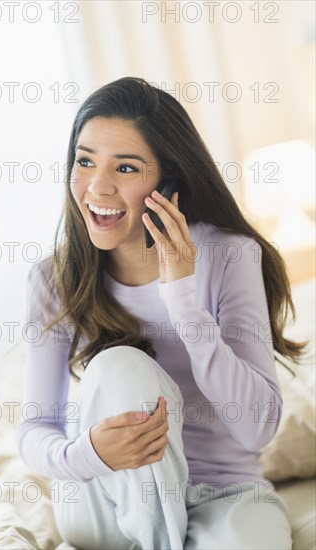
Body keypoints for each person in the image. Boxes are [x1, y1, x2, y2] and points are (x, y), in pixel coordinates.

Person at [17, 77, 307, 549]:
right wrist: (87, 454)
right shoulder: (53, 277)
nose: (97, 186)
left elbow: (256, 428)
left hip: (223, 493)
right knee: (120, 365)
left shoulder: (230, 255)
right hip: (103, 492)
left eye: (126, 168)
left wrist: (182, 295)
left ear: (169, 181)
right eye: (85, 160)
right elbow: (35, 428)